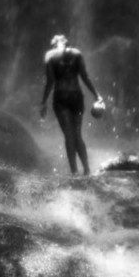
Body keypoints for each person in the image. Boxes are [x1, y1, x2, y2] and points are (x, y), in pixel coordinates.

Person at [40, 34, 102, 176]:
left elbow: (50, 81)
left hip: (61, 97)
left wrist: (43, 102)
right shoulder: (77, 54)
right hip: (76, 97)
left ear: (54, 45)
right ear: (67, 44)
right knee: (77, 135)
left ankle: (74, 171)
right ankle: (87, 169)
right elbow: (85, 77)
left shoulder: (50, 55)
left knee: (69, 136)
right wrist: (96, 95)